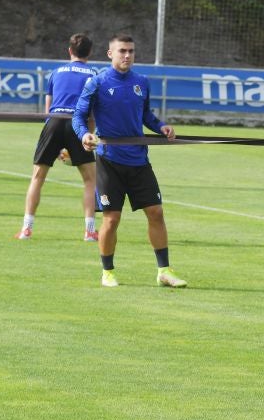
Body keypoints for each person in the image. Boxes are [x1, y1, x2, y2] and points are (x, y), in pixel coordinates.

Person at [72, 34, 187, 289]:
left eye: (131, 51)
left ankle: (164, 271)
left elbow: (145, 114)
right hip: (109, 161)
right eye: (122, 51)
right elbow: (78, 116)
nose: (127, 55)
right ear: (110, 53)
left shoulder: (142, 82)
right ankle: (108, 272)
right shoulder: (97, 82)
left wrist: (162, 127)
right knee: (111, 219)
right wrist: (85, 135)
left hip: (138, 160)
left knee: (156, 212)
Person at [17, 34, 98, 241]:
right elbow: (92, 112)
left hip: (53, 122)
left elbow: (48, 108)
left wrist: (53, 141)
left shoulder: (56, 72)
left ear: (69, 51)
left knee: (37, 177)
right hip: (77, 123)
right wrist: (88, 136)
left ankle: (27, 229)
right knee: (90, 180)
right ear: (90, 52)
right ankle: (89, 231)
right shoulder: (93, 74)